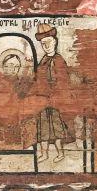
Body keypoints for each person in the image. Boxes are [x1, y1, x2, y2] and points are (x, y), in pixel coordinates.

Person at [32, 24, 76, 163]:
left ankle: (60, 153)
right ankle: (44, 154)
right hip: (43, 101)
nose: (46, 46)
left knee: (57, 129)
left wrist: (56, 97)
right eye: (43, 43)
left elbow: (63, 82)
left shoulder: (59, 60)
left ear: (55, 42)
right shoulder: (43, 61)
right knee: (43, 129)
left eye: (49, 42)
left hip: (56, 101)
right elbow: (38, 80)